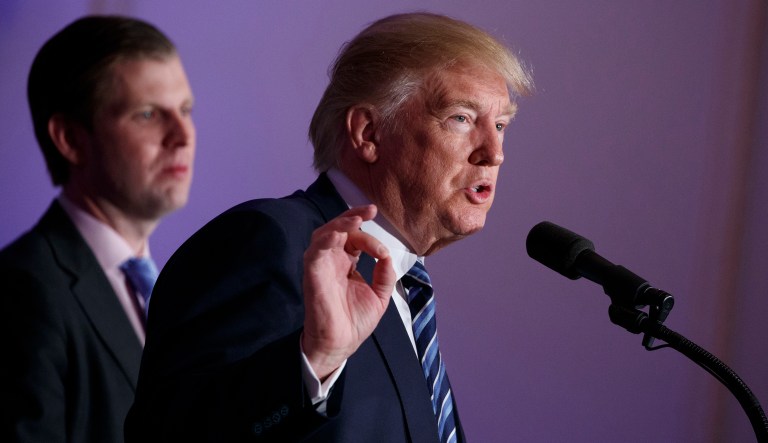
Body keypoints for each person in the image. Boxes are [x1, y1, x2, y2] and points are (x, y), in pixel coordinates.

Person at [126, 12, 531, 443]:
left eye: (501, 125)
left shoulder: (404, 286)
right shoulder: (269, 240)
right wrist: (312, 362)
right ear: (368, 133)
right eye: (461, 118)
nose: (494, 153)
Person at [0, 15, 195, 443]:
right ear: (70, 139)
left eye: (185, 110)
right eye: (147, 114)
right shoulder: (21, 291)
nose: (183, 135)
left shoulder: (175, 290)